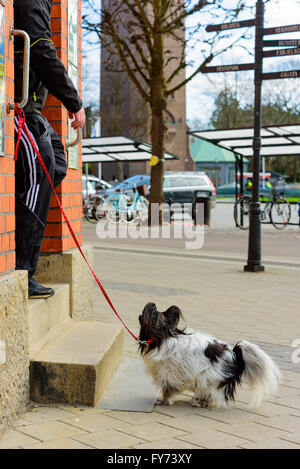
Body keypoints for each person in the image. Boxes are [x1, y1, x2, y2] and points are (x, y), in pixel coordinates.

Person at [14, 0, 85, 298]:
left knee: (56, 161)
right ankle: (22, 269)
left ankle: (24, 246)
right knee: (39, 172)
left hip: (34, 109)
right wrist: (74, 102)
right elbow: (41, 49)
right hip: (19, 108)